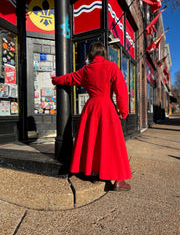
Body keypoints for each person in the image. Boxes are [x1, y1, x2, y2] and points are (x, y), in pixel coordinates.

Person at [52, 41, 132, 191]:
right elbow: (121, 90)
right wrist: (123, 110)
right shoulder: (112, 67)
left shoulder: (86, 70)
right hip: (107, 107)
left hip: (91, 108)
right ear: (104, 54)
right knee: (113, 142)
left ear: (91, 54)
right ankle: (119, 180)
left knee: (92, 140)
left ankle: (94, 173)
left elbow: (69, 78)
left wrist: (55, 80)